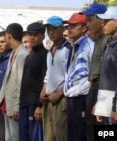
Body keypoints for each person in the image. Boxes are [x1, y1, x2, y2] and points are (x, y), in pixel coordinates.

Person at [79, 3, 110, 141]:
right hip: (94, 88)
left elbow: (109, 74)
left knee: (103, 131)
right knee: (91, 129)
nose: (88, 24)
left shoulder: (109, 40)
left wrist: (102, 101)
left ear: (102, 20)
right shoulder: (98, 40)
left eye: (91, 20)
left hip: (103, 89)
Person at [63, 13, 94, 141]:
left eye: (74, 25)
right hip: (72, 97)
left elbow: (92, 74)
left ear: (84, 28)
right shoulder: (72, 46)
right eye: (69, 25)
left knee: (80, 134)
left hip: (82, 98)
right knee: (72, 133)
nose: (69, 28)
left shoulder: (89, 46)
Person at [40, 16, 70, 141]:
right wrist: (43, 91)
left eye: (54, 29)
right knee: (48, 137)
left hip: (61, 99)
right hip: (48, 100)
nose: (51, 32)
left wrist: (59, 93)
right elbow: (48, 75)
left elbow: (72, 77)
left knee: (61, 136)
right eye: (48, 29)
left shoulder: (69, 49)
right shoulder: (49, 51)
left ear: (63, 29)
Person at [0, 23, 29, 141]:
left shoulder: (22, 54)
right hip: (7, 104)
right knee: (9, 137)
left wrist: (17, 106)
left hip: (14, 106)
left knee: (16, 137)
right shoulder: (15, 52)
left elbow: (21, 83)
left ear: (8, 36)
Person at [19, 22, 47, 141]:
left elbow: (45, 81)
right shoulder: (29, 55)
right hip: (24, 103)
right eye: (30, 34)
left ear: (43, 36)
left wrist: (39, 105)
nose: (32, 37)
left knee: (35, 137)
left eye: (35, 35)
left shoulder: (45, 55)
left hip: (34, 105)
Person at [95, 6, 117, 125]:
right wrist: (100, 105)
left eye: (107, 21)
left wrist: (115, 108)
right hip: (106, 102)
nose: (103, 24)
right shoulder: (110, 43)